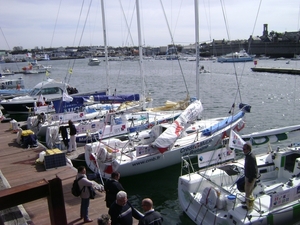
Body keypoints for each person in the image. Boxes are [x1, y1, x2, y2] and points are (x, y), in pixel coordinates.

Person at [242, 143, 258, 210]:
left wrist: (250, 179)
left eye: (244, 149)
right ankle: (246, 201)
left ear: (248, 149)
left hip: (250, 177)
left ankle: (248, 206)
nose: (243, 150)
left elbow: (254, 170)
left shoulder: (251, 157)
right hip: (247, 176)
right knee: (247, 190)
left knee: (249, 191)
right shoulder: (248, 156)